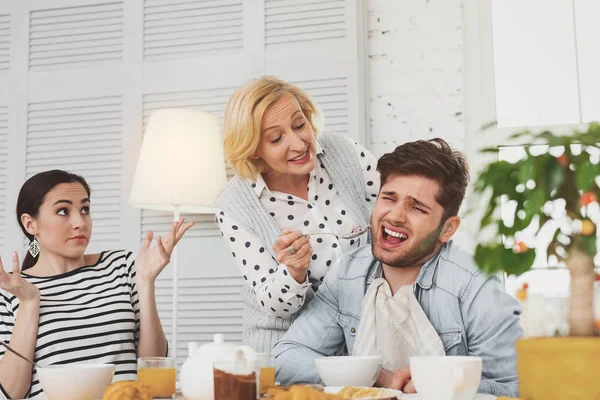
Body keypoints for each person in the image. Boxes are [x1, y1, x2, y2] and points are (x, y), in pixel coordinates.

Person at [274, 139, 523, 398]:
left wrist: (437, 382)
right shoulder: (347, 273)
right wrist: (378, 377)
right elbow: (288, 356)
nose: (394, 216)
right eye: (389, 198)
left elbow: (513, 388)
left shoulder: (478, 286)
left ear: (447, 229)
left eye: (417, 207)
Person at [215, 76, 380, 352]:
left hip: (364, 336)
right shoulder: (234, 204)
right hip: (286, 345)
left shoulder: (344, 154)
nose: (299, 144)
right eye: (277, 138)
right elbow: (276, 306)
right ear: (254, 149)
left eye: (299, 124)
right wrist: (294, 270)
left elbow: (398, 201)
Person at [0, 170, 193, 399]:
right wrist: (29, 303)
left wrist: (145, 282)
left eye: (85, 210)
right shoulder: (14, 290)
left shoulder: (120, 266)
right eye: (63, 211)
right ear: (30, 224)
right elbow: (10, 392)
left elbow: (152, 366)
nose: (79, 222)